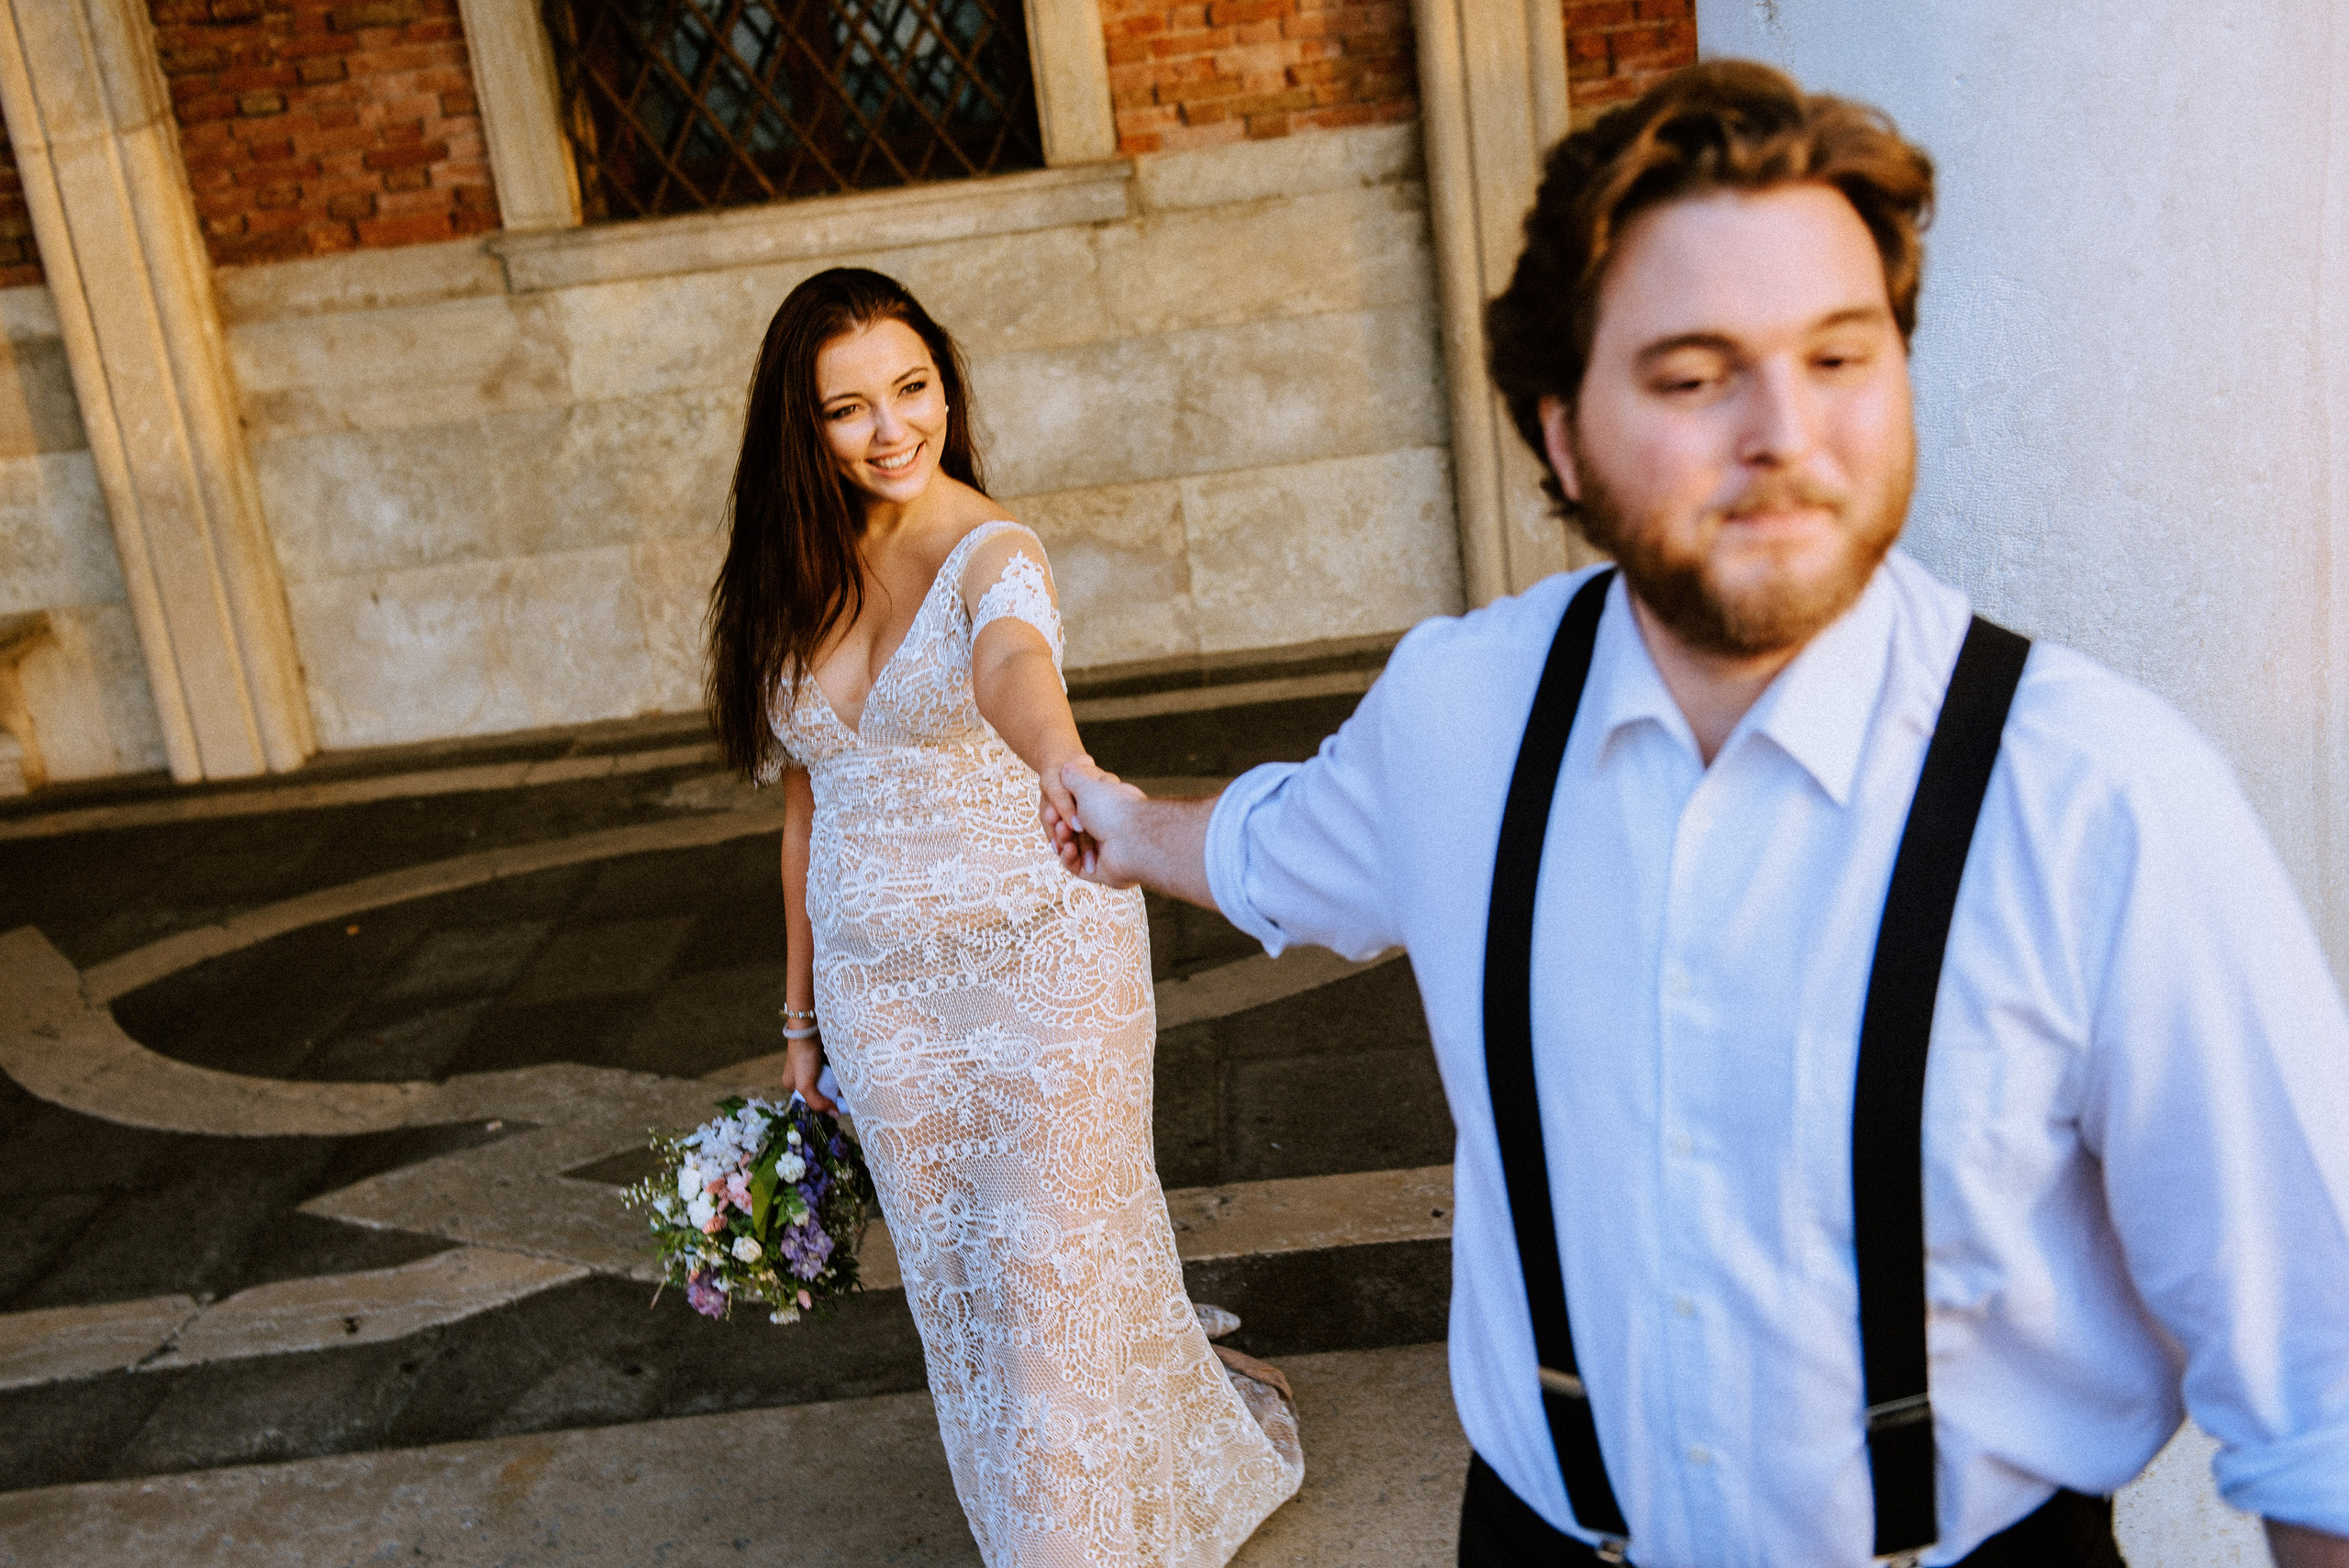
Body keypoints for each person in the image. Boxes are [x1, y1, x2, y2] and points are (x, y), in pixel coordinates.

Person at [1048, 61, 2349, 1568]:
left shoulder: (2104, 800)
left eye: (1842, 358)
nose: (1784, 430)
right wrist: (1123, 824)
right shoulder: (1458, 716)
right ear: (1561, 437)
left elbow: (2321, 1396)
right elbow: (1278, 847)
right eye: (1692, 375)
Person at [706, 266, 1302, 1567]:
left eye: (912, 388)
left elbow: (1012, 661)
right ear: (798, 430)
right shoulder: (790, 577)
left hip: (1040, 967)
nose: (891, 428)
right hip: (885, 1006)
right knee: (973, 1303)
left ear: (946, 388)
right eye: (847, 406)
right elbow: (807, 809)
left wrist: (1069, 768)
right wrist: (801, 1023)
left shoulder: (994, 550)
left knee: (1046, 1294)